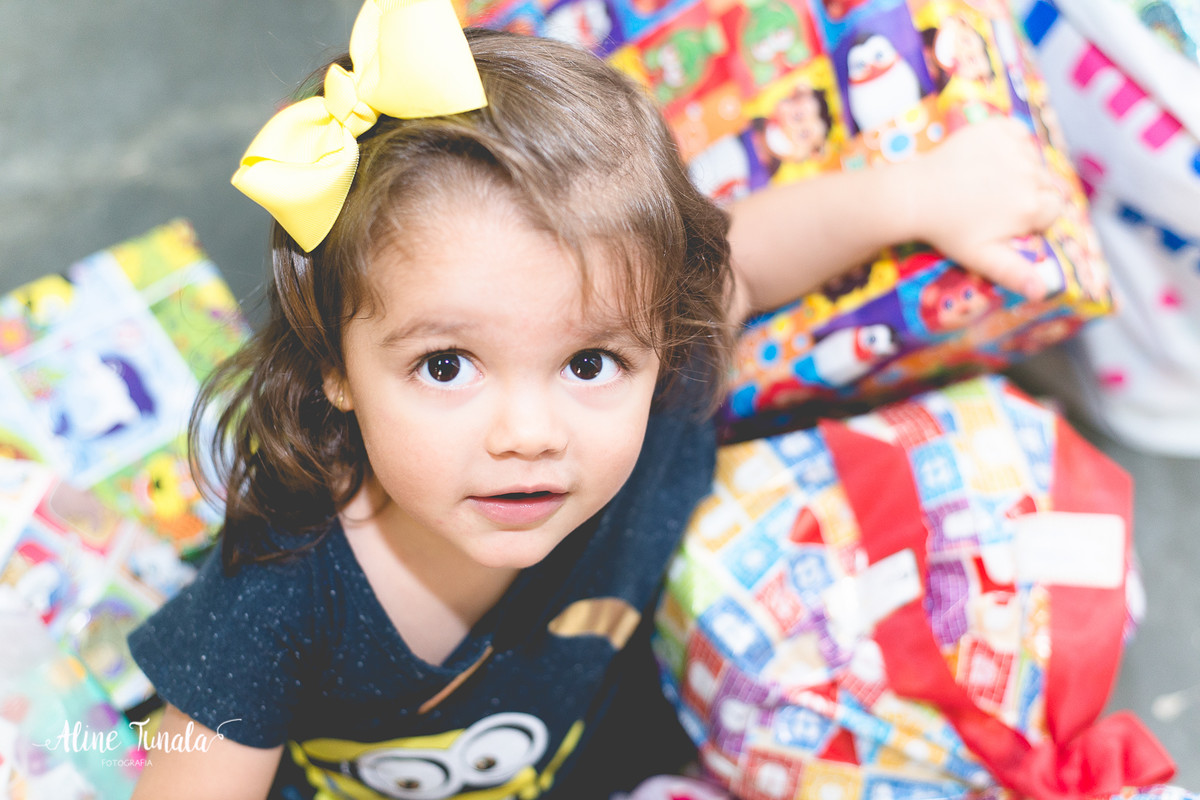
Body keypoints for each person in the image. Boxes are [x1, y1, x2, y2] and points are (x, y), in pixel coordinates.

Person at [126, 2, 1061, 798]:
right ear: (334, 362)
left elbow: (749, 260)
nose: (531, 434)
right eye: (447, 365)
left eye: (588, 363)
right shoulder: (276, 595)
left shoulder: (667, 397)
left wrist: (919, 195)